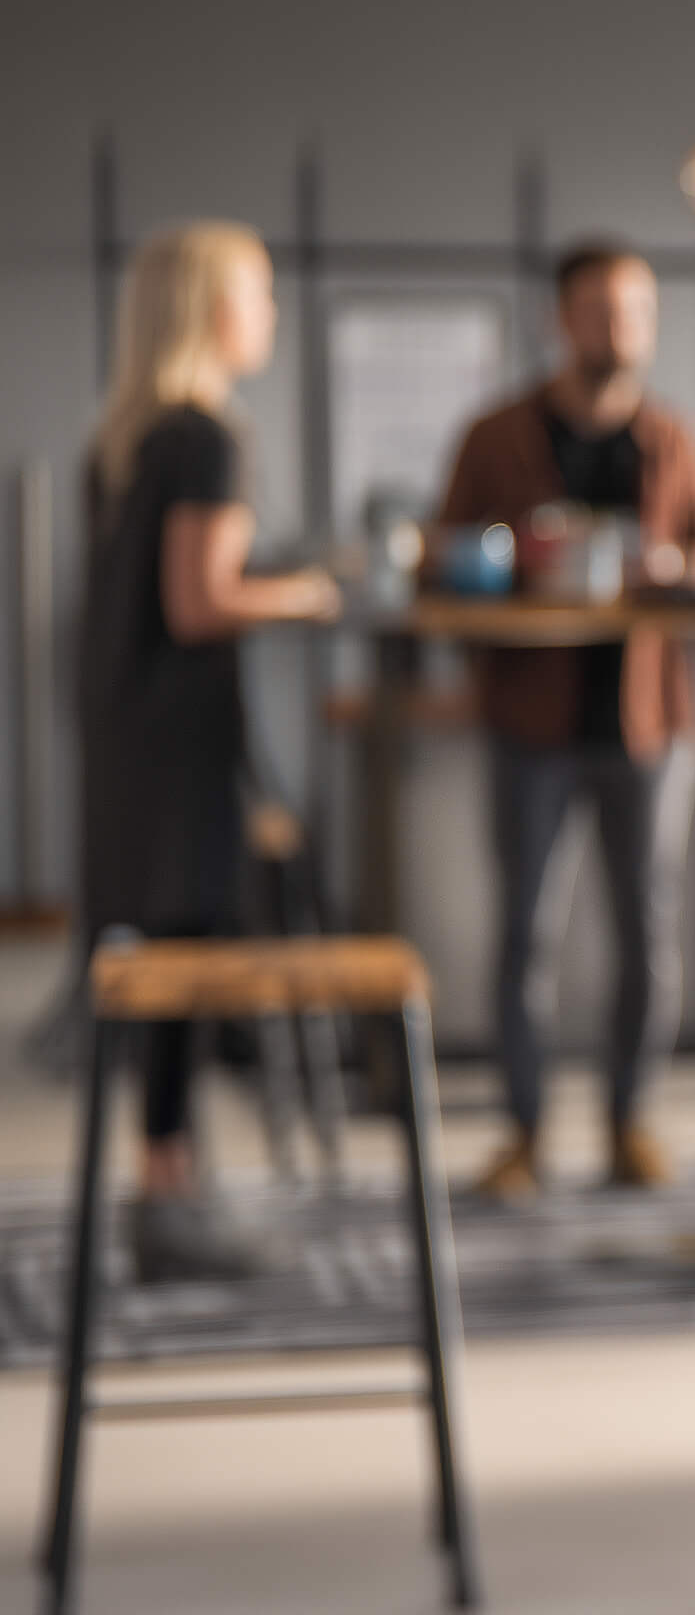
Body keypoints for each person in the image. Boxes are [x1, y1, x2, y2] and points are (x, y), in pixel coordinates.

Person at [433, 240, 695, 1203]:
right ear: (563, 319)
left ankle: (629, 1122)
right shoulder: (495, 436)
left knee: (647, 931)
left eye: (636, 310)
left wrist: (678, 570)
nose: (620, 329)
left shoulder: (677, 439)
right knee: (524, 929)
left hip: (650, 720)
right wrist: (514, 568)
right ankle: (524, 1133)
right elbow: (442, 562)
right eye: (601, 309)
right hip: (531, 718)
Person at [80, 222, 342, 1279]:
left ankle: (168, 1181)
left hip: (127, 733)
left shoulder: (131, 438)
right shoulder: (208, 439)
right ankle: (169, 1200)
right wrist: (309, 593)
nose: (271, 314)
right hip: (184, 742)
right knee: (189, 959)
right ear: (210, 311)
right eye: (260, 293)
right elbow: (200, 603)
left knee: (166, 958)